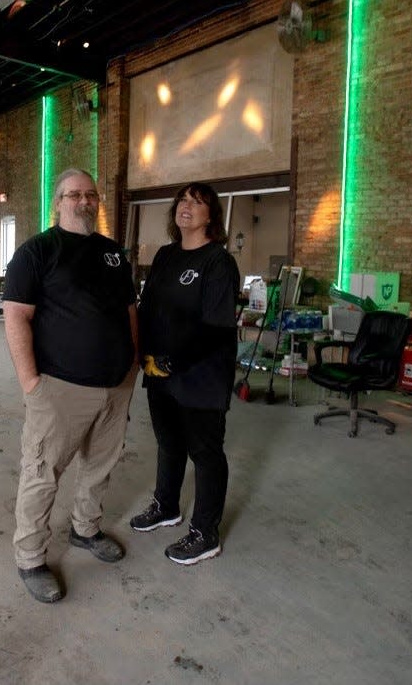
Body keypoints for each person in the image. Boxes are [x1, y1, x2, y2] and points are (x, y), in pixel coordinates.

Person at [1, 168, 139, 603]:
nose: (84, 201)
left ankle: (85, 529)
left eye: (90, 194)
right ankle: (30, 557)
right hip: (60, 388)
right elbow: (16, 317)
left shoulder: (114, 254)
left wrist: (132, 365)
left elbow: (130, 311)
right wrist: (31, 384)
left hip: (116, 385)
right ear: (57, 202)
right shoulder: (38, 252)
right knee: (42, 474)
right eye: (73, 194)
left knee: (100, 467)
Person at [132, 182, 240, 565]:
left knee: (205, 452)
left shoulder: (218, 263)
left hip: (201, 375)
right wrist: (140, 354)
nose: (186, 206)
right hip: (158, 370)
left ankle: (205, 533)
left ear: (212, 216)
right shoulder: (165, 255)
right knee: (168, 442)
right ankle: (166, 506)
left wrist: (172, 361)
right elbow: (148, 310)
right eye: (183, 200)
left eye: (197, 202)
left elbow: (216, 328)